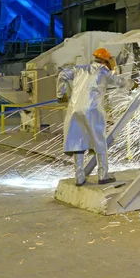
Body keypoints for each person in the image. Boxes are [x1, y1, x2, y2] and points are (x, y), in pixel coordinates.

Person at [56, 47, 130, 187]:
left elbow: (62, 75)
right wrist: (132, 85)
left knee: (77, 142)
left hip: (74, 110)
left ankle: (79, 178)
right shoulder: (103, 71)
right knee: (99, 142)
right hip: (93, 111)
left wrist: (61, 94)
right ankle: (103, 175)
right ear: (104, 61)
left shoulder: (80, 69)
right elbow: (120, 82)